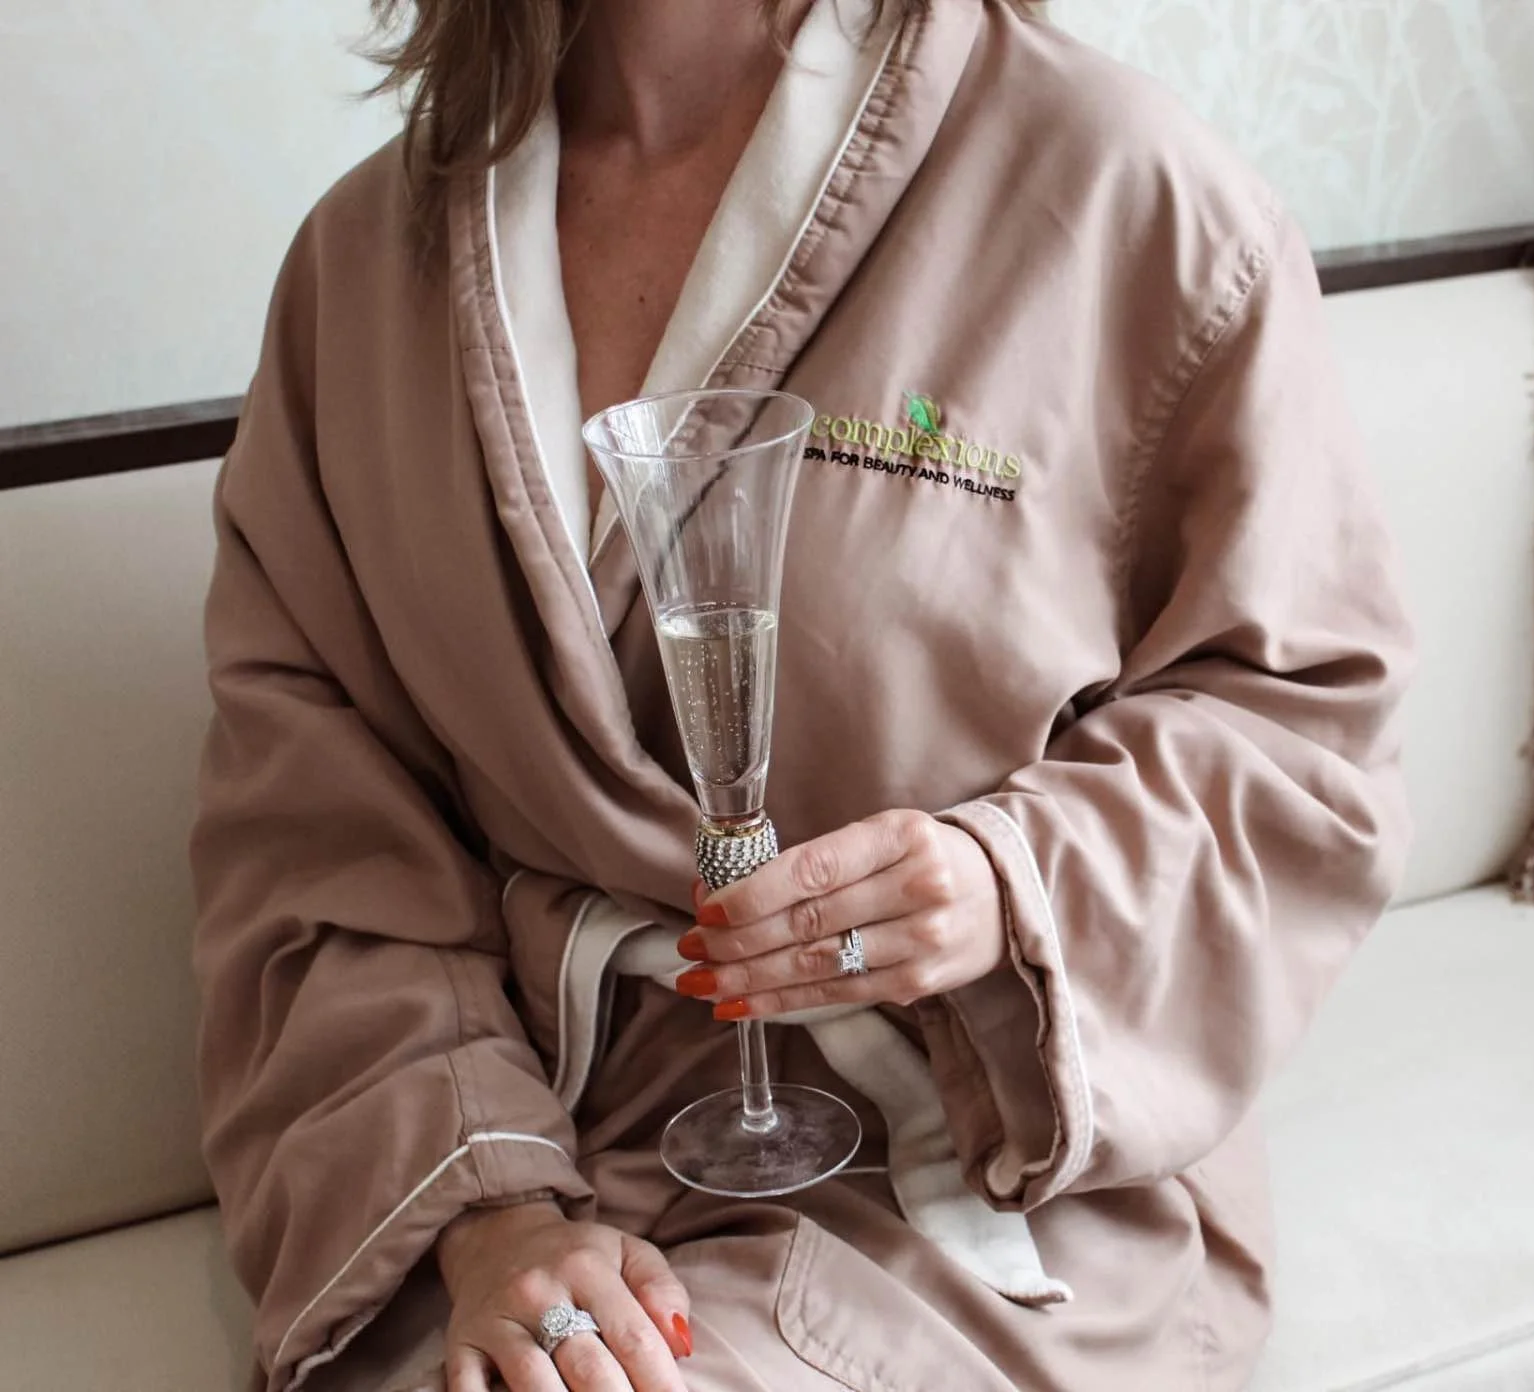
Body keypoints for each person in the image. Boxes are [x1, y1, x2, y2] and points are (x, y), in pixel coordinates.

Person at [190, 0, 1416, 1387]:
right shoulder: (366, 270)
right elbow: (320, 838)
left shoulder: (1116, 194)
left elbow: (1301, 729)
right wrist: (493, 1213)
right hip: (518, 1161)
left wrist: (1009, 884)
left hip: (959, 1177)